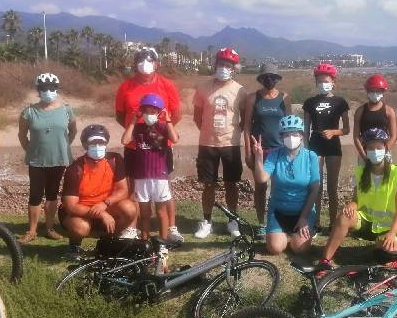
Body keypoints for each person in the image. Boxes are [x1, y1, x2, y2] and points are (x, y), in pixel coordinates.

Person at [115, 46, 184, 243]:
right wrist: (138, 131)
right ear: (134, 64)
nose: (144, 63)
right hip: (135, 145)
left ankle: (171, 227)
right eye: (140, 60)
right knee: (134, 186)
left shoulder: (167, 85)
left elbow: (176, 113)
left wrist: (159, 131)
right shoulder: (125, 87)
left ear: (157, 64)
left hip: (161, 144)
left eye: (149, 60)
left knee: (165, 187)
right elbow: (120, 114)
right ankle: (132, 228)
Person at [320, 128, 397, 266]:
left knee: (387, 254)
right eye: (371, 148)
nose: (375, 151)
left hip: (389, 227)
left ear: (385, 148)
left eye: (379, 147)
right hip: (367, 222)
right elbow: (357, 200)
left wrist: (392, 233)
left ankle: (383, 246)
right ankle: (325, 260)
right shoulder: (360, 172)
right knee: (344, 217)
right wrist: (351, 205)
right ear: (365, 150)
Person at [60, 124, 138, 260]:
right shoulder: (74, 169)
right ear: (84, 145)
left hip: (105, 206)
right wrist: (101, 214)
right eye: (92, 142)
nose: (97, 146)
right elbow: (70, 206)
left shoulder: (115, 160)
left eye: (101, 142)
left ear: (106, 142)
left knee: (130, 208)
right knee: (81, 227)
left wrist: (105, 204)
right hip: (79, 212)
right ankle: (74, 245)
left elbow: (123, 190)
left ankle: (107, 241)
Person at [193, 47, 248, 239]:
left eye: (228, 65)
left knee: (231, 184)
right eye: (221, 64)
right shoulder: (203, 88)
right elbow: (197, 117)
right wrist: (210, 132)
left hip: (230, 145)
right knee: (208, 185)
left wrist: (230, 133)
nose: (223, 68)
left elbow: (244, 119)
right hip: (207, 144)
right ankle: (207, 221)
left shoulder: (241, 91)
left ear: (234, 69)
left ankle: (232, 220)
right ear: (215, 65)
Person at [17, 73, 77, 243]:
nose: (48, 91)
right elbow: (22, 135)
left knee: (52, 195)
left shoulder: (66, 110)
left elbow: (73, 131)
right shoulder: (29, 112)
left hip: (59, 160)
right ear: (38, 90)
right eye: (44, 88)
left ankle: (49, 228)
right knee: (35, 195)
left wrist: (64, 146)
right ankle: (32, 231)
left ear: (56, 89)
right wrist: (30, 149)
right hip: (36, 160)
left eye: (52, 88)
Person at [251, 115, 320, 255]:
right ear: (281, 137)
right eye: (286, 134)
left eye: (294, 133)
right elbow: (261, 179)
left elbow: (314, 189)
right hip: (278, 210)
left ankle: (297, 235)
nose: (290, 137)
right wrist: (258, 158)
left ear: (301, 135)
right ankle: (283, 235)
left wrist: (303, 218)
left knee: (300, 249)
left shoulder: (311, 156)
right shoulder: (274, 154)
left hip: (303, 212)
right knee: (275, 249)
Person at [243, 62, 291, 237]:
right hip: (260, 150)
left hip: (280, 149)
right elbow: (247, 127)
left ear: (277, 79)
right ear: (261, 79)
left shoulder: (285, 97)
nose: (269, 80)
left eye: (272, 77)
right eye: (266, 77)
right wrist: (248, 152)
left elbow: (289, 125)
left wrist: (290, 149)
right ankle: (261, 222)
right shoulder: (252, 98)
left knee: (280, 186)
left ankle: (279, 221)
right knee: (261, 187)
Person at [121, 94, 179, 241]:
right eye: (146, 111)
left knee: (161, 211)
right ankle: (144, 240)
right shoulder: (138, 128)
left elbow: (174, 139)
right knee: (145, 212)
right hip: (142, 176)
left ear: (159, 112)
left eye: (153, 112)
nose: (149, 115)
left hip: (159, 175)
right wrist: (134, 120)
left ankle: (163, 241)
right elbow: (125, 140)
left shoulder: (163, 127)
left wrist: (168, 120)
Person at [303, 63, 350, 230]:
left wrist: (333, 132)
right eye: (320, 81)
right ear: (316, 82)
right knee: (316, 185)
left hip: (333, 146)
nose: (323, 83)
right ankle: (315, 223)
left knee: (332, 187)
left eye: (326, 80)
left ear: (333, 81)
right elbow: (306, 127)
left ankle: (332, 223)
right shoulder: (309, 102)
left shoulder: (340, 102)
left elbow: (346, 129)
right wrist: (306, 148)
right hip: (315, 145)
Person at [353, 74, 397, 160]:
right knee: (363, 173)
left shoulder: (389, 111)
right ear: (367, 91)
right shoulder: (360, 111)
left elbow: (394, 136)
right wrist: (363, 155)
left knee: (385, 173)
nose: (375, 94)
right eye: (372, 91)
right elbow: (356, 137)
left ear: (383, 92)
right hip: (365, 153)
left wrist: (384, 152)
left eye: (378, 91)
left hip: (384, 153)